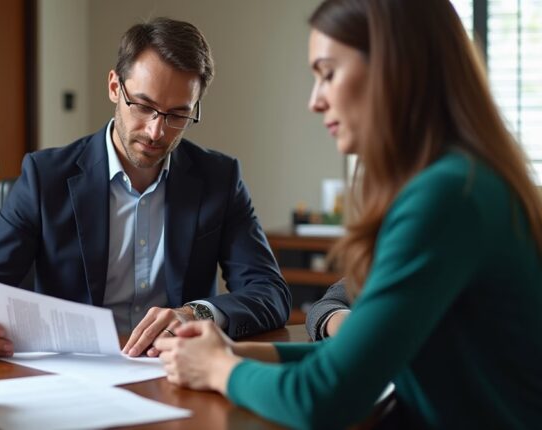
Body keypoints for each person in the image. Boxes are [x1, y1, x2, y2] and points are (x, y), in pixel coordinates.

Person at [155, 0, 542, 428]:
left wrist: (218, 370)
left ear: (394, 70)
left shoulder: (446, 196)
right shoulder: (467, 179)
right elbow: (360, 359)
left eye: (328, 74)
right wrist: (236, 352)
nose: (314, 101)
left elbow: (323, 398)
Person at [0, 17, 291, 358]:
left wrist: (196, 313)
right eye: (144, 106)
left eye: (177, 115)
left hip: (176, 370)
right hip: (74, 372)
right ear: (114, 88)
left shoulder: (219, 178)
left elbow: (269, 292)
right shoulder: (44, 176)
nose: (156, 132)